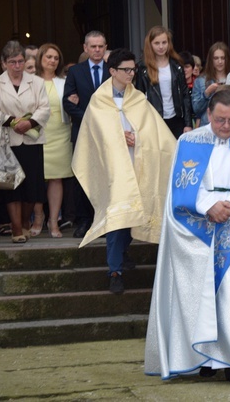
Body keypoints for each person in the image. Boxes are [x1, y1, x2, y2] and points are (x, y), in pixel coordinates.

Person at [144, 87, 230, 385]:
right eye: (220, 120)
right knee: (200, 292)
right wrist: (208, 206)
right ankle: (204, 358)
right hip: (199, 225)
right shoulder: (189, 141)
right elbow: (179, 189)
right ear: (208, 114)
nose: (226, 127)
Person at [72, 49, 176, 294]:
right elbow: (95, 137)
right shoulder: (99, 101)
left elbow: (155, 134)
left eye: (133, 69)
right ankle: (115, 271)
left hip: (138, 162)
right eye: (126, 70)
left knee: (136, 210)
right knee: (118, 214)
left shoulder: (138, 98)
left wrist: (138, 138)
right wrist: (120, 137)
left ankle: (123, 254)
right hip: (113, 169)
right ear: (112, 71)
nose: (131, 74)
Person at [0, 41, 50, 244]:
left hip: (31, 140)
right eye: (12, 62)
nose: (17, 66)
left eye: (20, 61)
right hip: (6, 140)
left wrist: (29, 122)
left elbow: (45, 108)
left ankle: (24, 223)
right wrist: (12, 122)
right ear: (4, 63)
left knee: (32, 186)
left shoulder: (37, 82)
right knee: (11, 185)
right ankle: (15, 228)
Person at [63, 30, 110, 238]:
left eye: (100, 46)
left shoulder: (113, 70)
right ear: (85, 48)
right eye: (93, 46)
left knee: (107, 175)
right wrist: (89, 117)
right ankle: (84, 221)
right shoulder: (75, 72)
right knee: (83, 176)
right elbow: (67, 102)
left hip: (109, 132)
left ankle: (105, 220)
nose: (97, 50)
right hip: (82, 131)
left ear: (105, 47)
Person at [35, 43, 73, 238]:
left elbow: (70, 104)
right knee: (37, 177)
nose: (52, 61)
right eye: (48, 57)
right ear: (40, 58)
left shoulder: (64, 81)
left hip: (60, 132)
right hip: (36, 133)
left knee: (56, 178)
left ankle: (53, 222)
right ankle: (38, 217)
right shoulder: (30, 81)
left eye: (56, 58)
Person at [135, 26, 193, 138]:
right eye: (156, 43)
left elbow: (185, 95)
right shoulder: (143, 68)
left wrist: (188, 124)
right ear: (150, 44)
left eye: (164, 42)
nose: (161, 47)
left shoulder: (177, 65)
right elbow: (139, 97)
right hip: (155, 120)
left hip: (176, 118)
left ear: (169, 43)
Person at [192, 42, 230, 127]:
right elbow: (196, 109)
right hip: (208, 126)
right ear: (211, 60)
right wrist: (207, 93)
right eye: (216, 58)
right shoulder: (200, 80)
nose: (220, 61)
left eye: (223, 58)